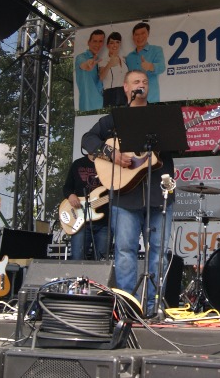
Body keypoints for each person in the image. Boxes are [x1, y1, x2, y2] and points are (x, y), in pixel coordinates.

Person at [81, 70, 177, 317]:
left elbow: (179, 146)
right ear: (126, 87)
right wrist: (111, 154)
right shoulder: (115, 118)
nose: (141, 85)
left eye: (145, 82)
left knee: (159, 252)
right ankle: (127, 306)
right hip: (125, 196)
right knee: (125, 251)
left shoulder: (160, 115)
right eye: (136, 82)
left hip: (159, 194)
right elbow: (88, 139)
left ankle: (154, 307)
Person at [62, 155, 110, 260]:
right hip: (80, 221)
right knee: (77, 258)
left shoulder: (110, 164)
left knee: (101, 262)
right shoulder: (78, 164)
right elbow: (67, 187)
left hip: (104, 223)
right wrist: (70, 195)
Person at [125, 22, 165, 103]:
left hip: (151, 99)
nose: (139, 37)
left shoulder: (156, 50)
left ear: (148, 34)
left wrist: (150, 66)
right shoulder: (129, 57)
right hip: (133, 101)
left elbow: (162, 67)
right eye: (136, 34)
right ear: (133, 37)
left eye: (143, 33)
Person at [75, 29, 105, 112]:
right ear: (89, 42)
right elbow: (83, 65)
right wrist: (87, 65)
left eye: (100, 41)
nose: (97, 44)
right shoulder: (81, 57)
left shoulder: (100, 60)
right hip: (87, 109)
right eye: (95, 41)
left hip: (102, 107)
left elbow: (99, 85)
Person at [99, 31, 128, 107]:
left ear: (120, 44)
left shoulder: (123, 59)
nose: (115, 45)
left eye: (117, 42)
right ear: (107, 45)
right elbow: (101, 77)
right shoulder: (103, 61)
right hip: (111, 93)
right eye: (112, 43)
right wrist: (109, 64)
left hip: (124, 93)